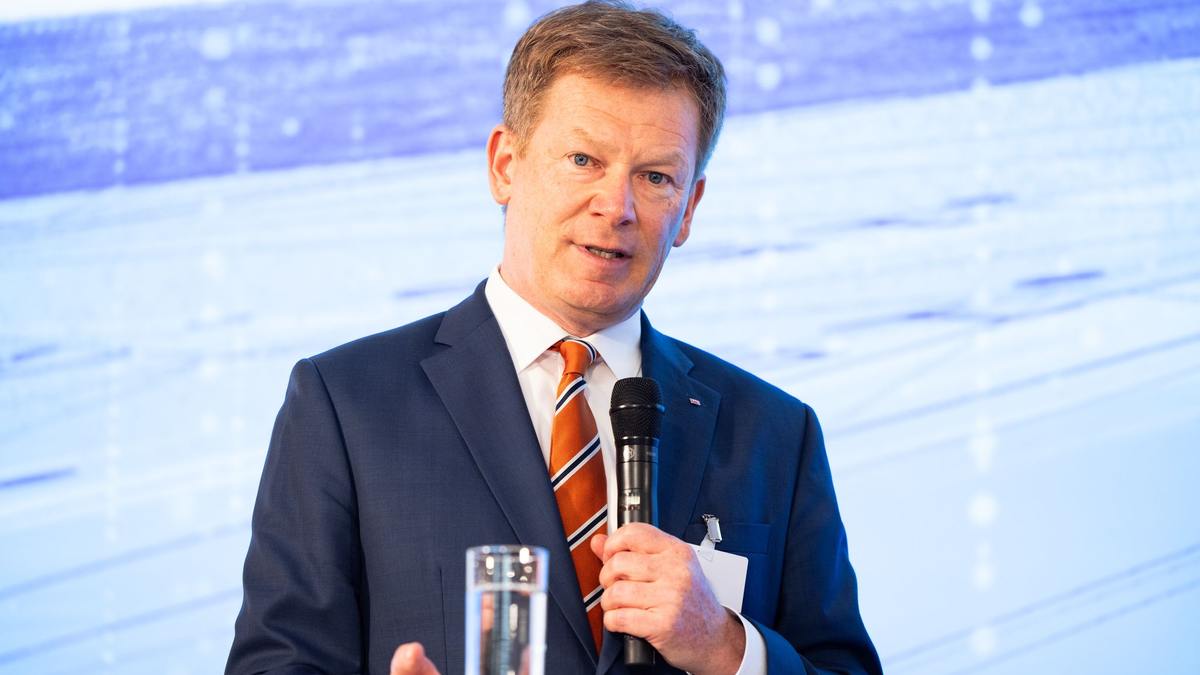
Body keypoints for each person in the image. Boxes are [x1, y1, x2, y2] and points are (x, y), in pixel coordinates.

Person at [225, 2, 882, 674]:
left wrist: (727, 646)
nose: (616, 207)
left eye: (655, 177)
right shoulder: (347, 404)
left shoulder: (774, 432)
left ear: (690, 209)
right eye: (582, 159)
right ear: (505, 165)